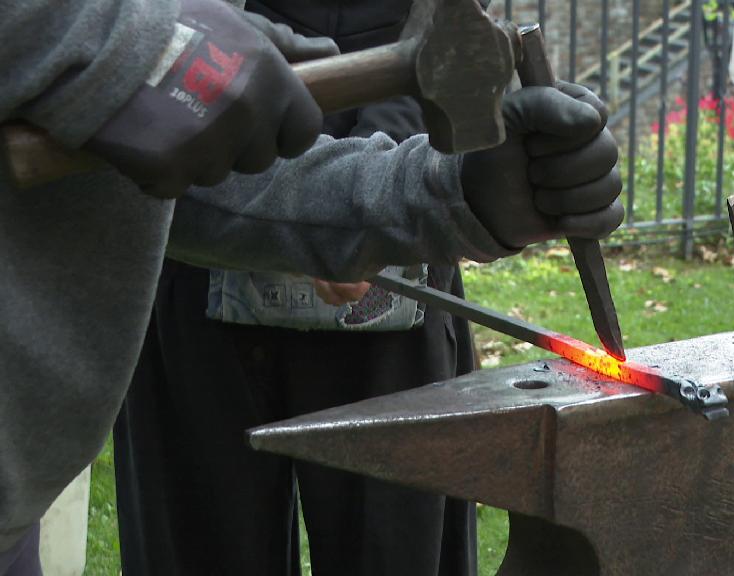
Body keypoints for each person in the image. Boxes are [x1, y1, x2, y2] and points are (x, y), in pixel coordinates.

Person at [0, 0, 623, 574]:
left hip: (299, 167)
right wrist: (143, 44)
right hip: (191, 261)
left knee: (389, 538)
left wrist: (424, 195)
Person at [112, 1, 479, 574]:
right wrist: (323, 216)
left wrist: (360, 212)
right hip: (200, 211)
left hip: (391, 250)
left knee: (392, 545)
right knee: (200, 543)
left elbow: (438, 23)